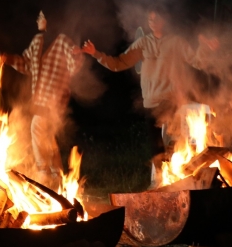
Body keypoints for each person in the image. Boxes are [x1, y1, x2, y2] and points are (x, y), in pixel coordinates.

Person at [81, 9, 216, 161]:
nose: (153, 22)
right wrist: (96, 53)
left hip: (172, 101)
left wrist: (205, 48)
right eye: (150, 19)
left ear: (164, 20)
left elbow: (197, 62)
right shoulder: (143, 43)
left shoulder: (176, 42)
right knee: (157, 150)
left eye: (156, 19)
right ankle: (159, 175)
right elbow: (118, 64)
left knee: (175, 145)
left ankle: (180, 174)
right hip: (152, 103)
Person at [5, 10, 84, 185]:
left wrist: (77, 55)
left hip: (55, 98)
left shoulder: (62, 41)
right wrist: (6, 58)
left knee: (37, 127)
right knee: (48, 136)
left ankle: (43, 171)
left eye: (42, 17)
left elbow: (74, 66)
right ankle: (57, 175)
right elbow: (26, 64)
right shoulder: (37, 41)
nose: (39, 20)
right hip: (39, 98)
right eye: (38, 18)